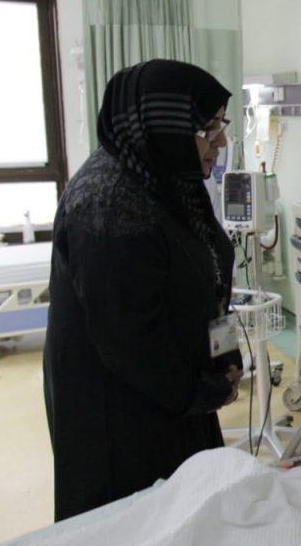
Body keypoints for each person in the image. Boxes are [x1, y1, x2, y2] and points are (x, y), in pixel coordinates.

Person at [43, 60, 242, 521]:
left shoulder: (166, 179)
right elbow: (129, 340)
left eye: (221, 125)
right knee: (139, 527)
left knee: (188, 511)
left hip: (174, 389)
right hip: (121, 407)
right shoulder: (108, 205)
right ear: (161, 125)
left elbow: (209, 268)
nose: (220, 142)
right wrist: (203, 389)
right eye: (207, 129)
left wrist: (222, 355)